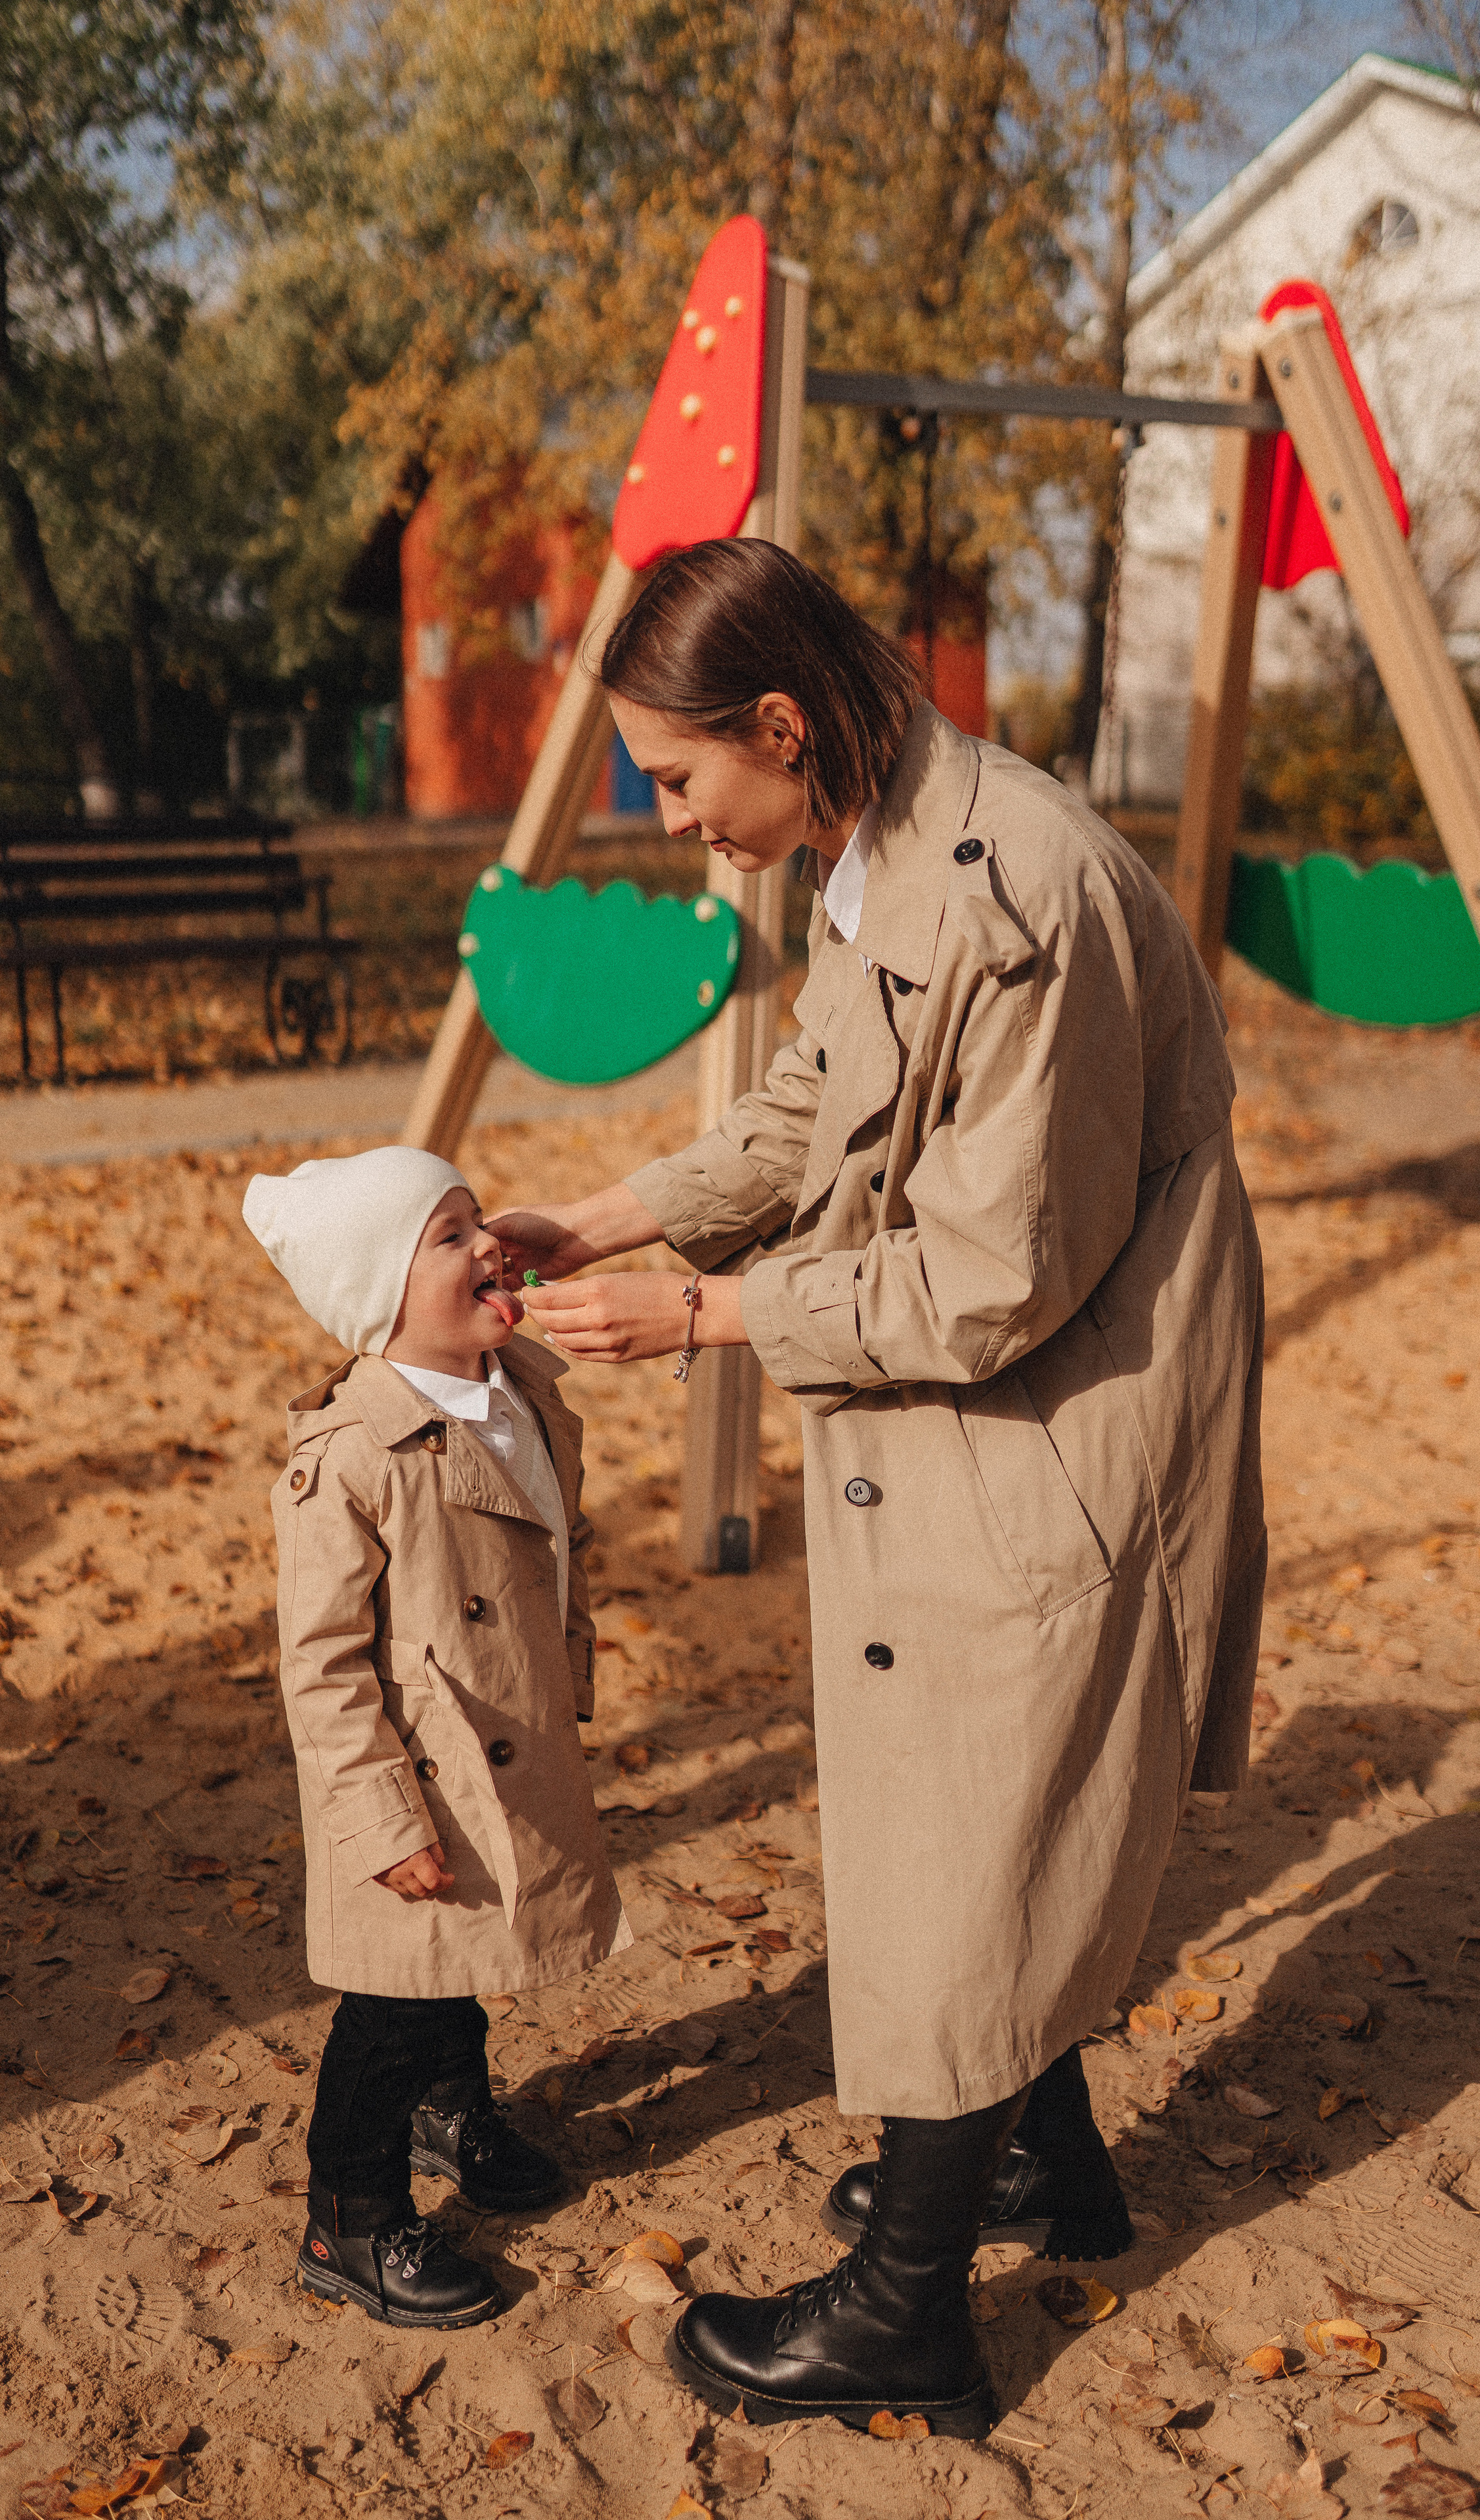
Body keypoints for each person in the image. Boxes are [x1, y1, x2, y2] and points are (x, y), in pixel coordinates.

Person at [493, 538, 1265, 2437]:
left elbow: (997, 1276)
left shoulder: (1024, 894)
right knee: (986, 1808)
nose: (679, 828)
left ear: (780, 722)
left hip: (1067, 1406)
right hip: (983, 1393)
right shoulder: (876, 851)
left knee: (986, 1806)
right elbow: (802, 1116)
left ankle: (911, 2307)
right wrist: (591, 1212)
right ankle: (1047, 2167)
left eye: (680, 783)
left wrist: (698, 1316)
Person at [243, 1145, 628, 2329]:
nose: (488, 1246)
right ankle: (348, 2216)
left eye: (478, 1221)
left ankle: (451, 2107)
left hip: (501, 1727)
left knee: (466, 1948)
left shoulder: (523, 1391)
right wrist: (378, 1816)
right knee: (396, 1992)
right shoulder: (353, 1453)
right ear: (381, 1295)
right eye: (451, 1235)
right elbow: (320, 1665)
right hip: (415, 1761)